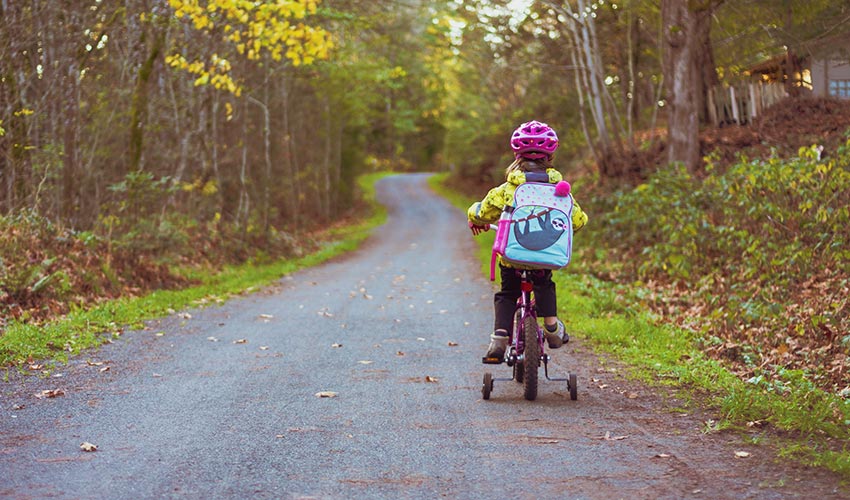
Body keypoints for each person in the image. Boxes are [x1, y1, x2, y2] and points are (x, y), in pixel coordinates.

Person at [467, 120, 588, 361]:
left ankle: (499, 338)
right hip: (544, 259)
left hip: (513, 258)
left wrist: (474, 216)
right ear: (550, 156)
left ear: (516, 155)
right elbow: (578, 220)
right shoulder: (559, 190)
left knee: (507, 292)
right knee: (544, 284)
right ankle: (552, 328)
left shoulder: (508, 189)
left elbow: (483, 211)